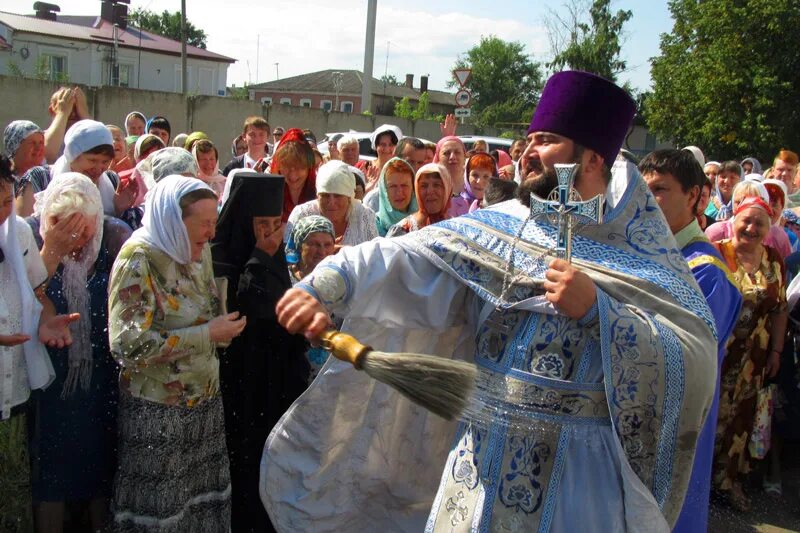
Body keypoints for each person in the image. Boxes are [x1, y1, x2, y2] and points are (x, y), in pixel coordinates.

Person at [263, 70, 717, 531]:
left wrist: (602, 312)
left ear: (594, 157)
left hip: (578, 475)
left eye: (549, 140)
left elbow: (695, 356)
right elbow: (405, 257)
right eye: (531, 138)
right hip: (479, 462)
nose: (531, 152)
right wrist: (322, 284)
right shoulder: (503, 225)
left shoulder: (639, 250)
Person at [108, 176, 246, 531]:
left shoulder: (197, 252)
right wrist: (206, 334)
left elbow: (203, 309)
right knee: (162, 513)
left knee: (198, 508)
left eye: (214, 223)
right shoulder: (138, 258)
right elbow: (127, 344)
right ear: (173, 220)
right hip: (158, 413)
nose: (210, 234)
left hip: (203, 403)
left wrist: (221, 325)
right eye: (203, 225)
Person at [639, 149, 742, 533]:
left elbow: (681, 359)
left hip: (675, 423)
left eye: (661, 189)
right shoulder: (652, 253)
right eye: (644, 189)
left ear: (696, 195)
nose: (649, 199)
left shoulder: (706, 272)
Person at [26, 173, 131, 533]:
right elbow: (23, 302)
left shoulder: (108, 265)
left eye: (83, 230)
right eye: (63, 228)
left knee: (100, 470)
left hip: (99, 390)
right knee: (52, 475)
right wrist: (50, 252)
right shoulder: (36, 261)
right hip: (51, 393)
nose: (75, 240)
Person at [212, 172, 308, 533]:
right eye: (261, 224)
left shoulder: (275, 255)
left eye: (276, 223)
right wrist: (258, 260)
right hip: (238, 377)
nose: (270, 233)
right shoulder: (222, 257)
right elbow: (241, 306)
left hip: (274, 379)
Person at [0, 156, 77, 533]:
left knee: (12, 496)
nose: (2, 212)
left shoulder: (17, 233)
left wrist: (46, 320)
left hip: (11, 393)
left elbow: (36, 290)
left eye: (4, 201)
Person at [712, 196, 787, 512]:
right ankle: (698, 487)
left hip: (755, 359)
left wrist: (776, 351)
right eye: (747, 221)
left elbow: (780, 309)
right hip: (719, 354)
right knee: (711, 415)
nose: (752, 228)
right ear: (735, 221)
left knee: (742, 419)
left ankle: (730, 484)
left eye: (760, 223)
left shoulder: (772, 259)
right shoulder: (718, 253)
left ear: (769, 228)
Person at [51, 120, 139, 220]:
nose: (98, 169)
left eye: (105, 162)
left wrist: (117, 209)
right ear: (73, 156)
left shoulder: (112, 181)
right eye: (92, 160)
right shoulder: (41, 178)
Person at [287, 161, 377, 247]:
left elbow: (374, 257)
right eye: (325, 195)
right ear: (317, 196)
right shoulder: (302, 214)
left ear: (349, 197)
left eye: (338, 196)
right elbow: (289, 255)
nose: (331, 202)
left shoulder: (364, 216)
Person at [705, 180, 792, 258]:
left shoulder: (778, 237)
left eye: (751, 202)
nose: (743, 207)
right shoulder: (717, 232)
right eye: (738, 202)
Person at [386, 163, 451, 237]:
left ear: (447, 189)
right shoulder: (402, 230)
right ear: (416, 190)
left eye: (436, 185)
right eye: (424, 186)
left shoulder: (459, 227)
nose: (429, 191)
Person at [269, 128, 317, 222]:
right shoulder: (268, 195)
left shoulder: (320, 195)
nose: (293, 175)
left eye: (299, 167)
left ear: (309, 168)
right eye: (286, 167)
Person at [4, 120, 50, 217]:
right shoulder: (4, 179)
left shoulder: (48, 175)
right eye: (32, 143)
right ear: (15, 147)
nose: (38, 148)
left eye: (41, 142)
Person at [365, 157, 417, 236]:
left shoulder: (423, 221)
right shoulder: (372, 225)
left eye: (404, 185)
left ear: (413, 188)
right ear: (384, 190)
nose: (399, 192)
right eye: (393, 186)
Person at [44, 87, 91, 164]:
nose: (72, 114)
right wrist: (63, 113)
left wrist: (84, 114)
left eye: (76, 108)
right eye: (69, 108)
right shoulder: (39, 137)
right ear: (51, 111)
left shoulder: (87, 138)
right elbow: (48, 155)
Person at [286, 215, 336, 284]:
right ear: (299, 246)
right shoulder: (282, 278)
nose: (322, 252)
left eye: (327, 245)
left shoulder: (340, 280)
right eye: (314, 244)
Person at [359, 124, 402, 192]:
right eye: (383, 144)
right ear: (376, 146)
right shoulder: (363, 166)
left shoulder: (402, 168)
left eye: (391, 144)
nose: (387, 148)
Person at [434, 136, 469, 216]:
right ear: (438, 158)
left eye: (457, 152)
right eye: (446, 153)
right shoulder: (431, 185)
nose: (452, 157)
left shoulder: (475, 183)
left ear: (464, 157)